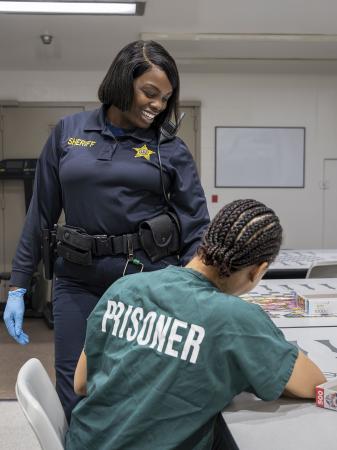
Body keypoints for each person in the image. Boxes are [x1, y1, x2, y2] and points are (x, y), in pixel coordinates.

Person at [3, 40, 209, 422]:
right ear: (121, 81)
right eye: (150, 92)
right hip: (77, 282)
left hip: (146, 283)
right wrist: (17, 286)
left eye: (166, 98)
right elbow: (41, 214)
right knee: (75, 390)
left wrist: (195, 292)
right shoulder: (69, 132)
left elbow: (197, 227)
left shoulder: (170, 149)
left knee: (137, 389)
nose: (158, 105)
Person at [65, 198, 326, 450]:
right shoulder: (236, 318)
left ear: (206, 241)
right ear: (258, 271)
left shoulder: (124, 286)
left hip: (82, 441)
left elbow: (81, 383)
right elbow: (313, 382)